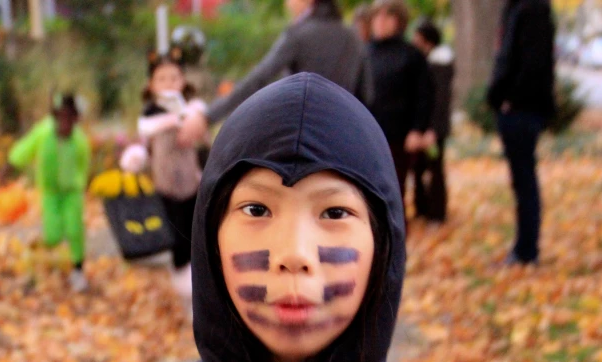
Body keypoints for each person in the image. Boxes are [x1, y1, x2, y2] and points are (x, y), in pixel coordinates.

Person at [16, 73, 581, 362]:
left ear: (384, 244)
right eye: (256, 209)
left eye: (335, 212)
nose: (294, 252)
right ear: (210, 234)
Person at [176, 0, 374, 147]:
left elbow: (259, 78)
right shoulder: (353, 37)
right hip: (344, 141)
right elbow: (367, 95)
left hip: (302, 141)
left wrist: (208, 116)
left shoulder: (299, 34)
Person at [130, 48, 208, 316]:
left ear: (183, 80)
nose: (169, 84)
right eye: (162, 79)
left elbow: (204, 140)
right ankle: (185, 292)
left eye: (174, 78)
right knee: (177, 239)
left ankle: (198, 288)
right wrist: (135, 159)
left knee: (196, 235)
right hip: (165, 186)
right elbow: (143, 146)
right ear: (152, 85)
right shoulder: (151, 117)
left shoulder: (192, 112)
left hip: (192, 182)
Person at [488, 0, 556, 265]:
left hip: (522, 109)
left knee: (525, 181)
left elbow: (533, 63)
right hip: (516, 107)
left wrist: (511, 99)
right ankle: (524, 247)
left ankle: (527, 250)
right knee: (521, 181)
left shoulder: (532, 10)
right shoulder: (519, 9)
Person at [1, 93, 91, 292]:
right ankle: (45, 257)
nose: (65, 125)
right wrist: (8, 166)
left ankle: (78, 271)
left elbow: (84, 164)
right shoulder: (43, 133)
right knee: (52, 235)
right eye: (61, 118)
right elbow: (24, 149)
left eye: (71, 119)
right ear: (54, 117)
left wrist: (83, 183)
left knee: (75, 229)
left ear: (76, 120)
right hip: (50, 192)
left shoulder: (79, 141)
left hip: (72, 192)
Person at [366, 0, 433, 231]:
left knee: (394, 190)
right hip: (367, 132)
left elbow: (424, 96)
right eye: (377, 16)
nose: (381, 22)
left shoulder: (412, 55)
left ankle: (396, 240)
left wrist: (417, 129)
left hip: (398, 134)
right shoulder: (364, 52)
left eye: (387, 17)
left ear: (399, 21)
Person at [411, 20, 454, 224]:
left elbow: (440, 99)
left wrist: (433, 129)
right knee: (420, 168)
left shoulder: (439, 64)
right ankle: (424, 208)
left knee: (434, 168)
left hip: (433, 128)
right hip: (425, 125)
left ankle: (436, 212)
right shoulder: (427, 62)